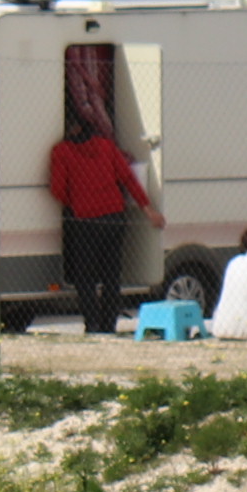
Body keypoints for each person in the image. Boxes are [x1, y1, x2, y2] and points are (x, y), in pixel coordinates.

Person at [47, 111, 159, 335]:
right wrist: (148, 209)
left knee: (85, 276)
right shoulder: (107, 147)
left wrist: (76, 202)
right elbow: (128, 178)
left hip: (84, 220)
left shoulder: (62, 152)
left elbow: (57, 189)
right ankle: (109, 323)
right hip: (114, 216)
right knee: (111, 274)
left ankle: (92, 323)